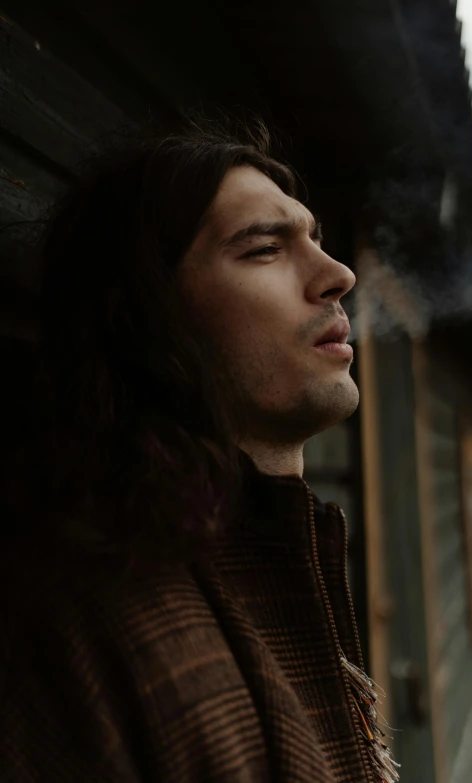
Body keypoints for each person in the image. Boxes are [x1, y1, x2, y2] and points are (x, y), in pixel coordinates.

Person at [1, 117, 399, 783]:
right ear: (150, 317)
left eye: (316, 239)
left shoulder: (275, 562)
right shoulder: (85, 627)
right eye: (264, 249)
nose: (338, 275)